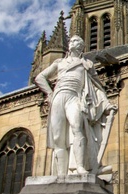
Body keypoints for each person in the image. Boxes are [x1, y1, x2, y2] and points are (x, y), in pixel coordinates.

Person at [35, 35, 116, 176]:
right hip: (59, 96)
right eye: (71, 40)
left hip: (75, 97)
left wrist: (107, 104)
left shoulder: (87, 64)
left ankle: (79, 167)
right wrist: (49, 93)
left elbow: (97, 87)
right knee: (58, 138)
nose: (72, 42)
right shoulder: (59, 62)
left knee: (77, 128)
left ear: (82, 46)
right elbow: (40, 78)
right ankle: (61, 175)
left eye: (76, 40)